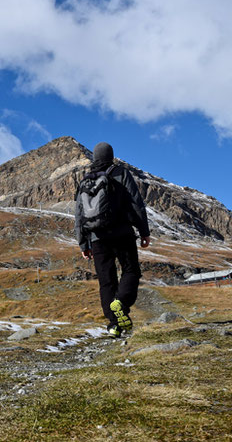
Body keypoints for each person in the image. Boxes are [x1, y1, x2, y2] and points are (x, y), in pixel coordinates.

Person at [75, 142, 150, 338]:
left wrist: (84, 243)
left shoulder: (86, 179)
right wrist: (143, 231)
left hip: (97, 238)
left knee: (106, 281)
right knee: (131, 270)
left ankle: (113, 324)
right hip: (122, 233)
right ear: (111, 156)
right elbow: (135, 202)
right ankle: (122, 303)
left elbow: (79, 213)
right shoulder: (120, 173)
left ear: (95, 157)